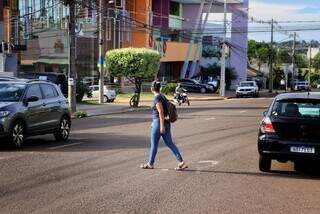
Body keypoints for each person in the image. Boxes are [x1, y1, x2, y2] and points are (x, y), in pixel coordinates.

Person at [141, 81, 188, 170]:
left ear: (152, 88)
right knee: (170, 144)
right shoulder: (162, 96)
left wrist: (161, 126)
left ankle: (150, 164)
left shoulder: (157, 98)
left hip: (159, 123)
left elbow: (161, 112)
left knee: (154, 145)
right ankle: (181, 162)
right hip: (166, 122)